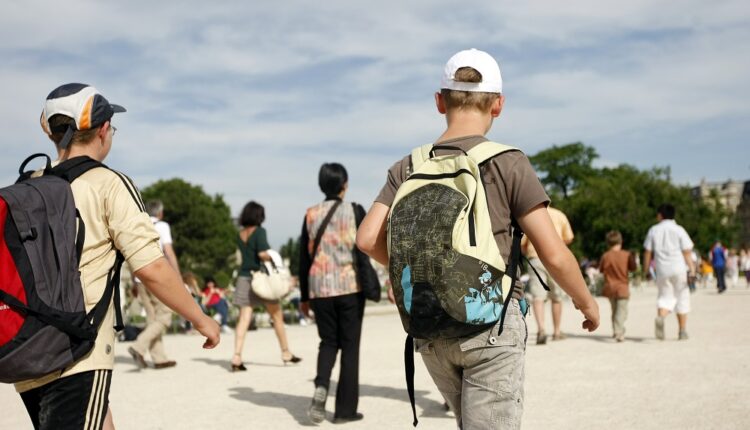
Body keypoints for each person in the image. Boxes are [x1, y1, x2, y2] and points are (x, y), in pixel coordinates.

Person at [355, 49, 600, 429]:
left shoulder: (408, 165)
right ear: (498, 105)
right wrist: (586, 303)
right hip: (491, 324)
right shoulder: (508, 162)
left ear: (440, 102)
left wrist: (419, 269)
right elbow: (553, 252)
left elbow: (367, 238)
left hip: (430, 330)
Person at [16, 83, 219, 430]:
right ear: (104, 130)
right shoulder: (108, 183)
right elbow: (152, 267)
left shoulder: (29, 184)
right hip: (78, 349)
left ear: (51, 132)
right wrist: (200, 318)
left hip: (31, 345)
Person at [298, 163, 366, 424]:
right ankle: (345, 411)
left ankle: (321, 386)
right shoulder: (355, 210)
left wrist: (304, 297)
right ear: (344, 184)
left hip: (319, 289)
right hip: (349, 287)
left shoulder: (311, 214)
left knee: (328, 342)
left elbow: (303, 258)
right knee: (350, 348)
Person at [230, 201, 301, 371]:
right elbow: (262, 254)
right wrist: (274, 256)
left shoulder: (240, 234)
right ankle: (285, 352)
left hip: (243, 278)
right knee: (277, 316)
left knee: (244, 319)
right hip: (261, 280)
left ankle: (237, 356)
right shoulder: (260, 232)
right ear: (259, 216)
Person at [128, 200, 181, 369]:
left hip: (139, 276)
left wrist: (133, 280)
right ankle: (138, 345)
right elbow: (168, 251)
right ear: (160, 213)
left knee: (152, 319)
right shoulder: (162, 226)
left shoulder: (136, 225)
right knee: (165, 316)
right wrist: (177, 276)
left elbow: (130, 254)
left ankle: (159, 359)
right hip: (156, 276)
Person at [521, 205, 575, 344]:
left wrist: (528, 252)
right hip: (556, 257)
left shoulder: (529, 215)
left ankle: (541, 329)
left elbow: (522, 243)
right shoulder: (560, 215)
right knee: (556, 296)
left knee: (537, 296)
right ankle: (557, 332)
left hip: (535, 257)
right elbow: (568, 238)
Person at [643, 204, 696, 340]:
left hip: (662, 269)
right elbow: (687, 252)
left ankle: (661, 316)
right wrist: (692, 270)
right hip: (679, 268)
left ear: (660, 215)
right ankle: (682, 330)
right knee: (682, 298)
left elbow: (648, 252)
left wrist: (646, 270)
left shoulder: (653, 230)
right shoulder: (679, 230)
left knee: (664, 297)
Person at [599, 231, 636, 342]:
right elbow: (633, 268)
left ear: (607, 243)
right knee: (622, 312)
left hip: (610, 287)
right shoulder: (626, 254)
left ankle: (616, 330)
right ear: (621, 241)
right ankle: (619, 332)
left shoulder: (605, 256)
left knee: (614, 311)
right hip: (622, 287)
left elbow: (601, 270)